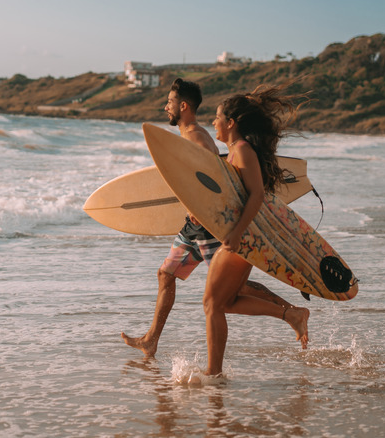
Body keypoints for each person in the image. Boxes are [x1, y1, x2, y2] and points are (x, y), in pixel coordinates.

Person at [121, 79, 301, 358]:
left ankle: (290, 313)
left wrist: (203, 206)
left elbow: (213, 180)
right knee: (166, 274)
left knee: (232, 291)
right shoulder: (193, 134)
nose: (165, 107)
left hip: (206, 226)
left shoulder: (194, 137)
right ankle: (151, 339)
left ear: (183, 106)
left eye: (169, 103)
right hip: (193, 226)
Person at [203, 85, 311, 377]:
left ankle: (214, 374)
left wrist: (237, 233)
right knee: (226, 301)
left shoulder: (242, 151)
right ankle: (292, 314)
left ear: (231, 123)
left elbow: (257, 195)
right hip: (245, 234)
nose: (213, 122)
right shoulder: (235, 152)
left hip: (245, 236)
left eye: (217, 117)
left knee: (212, 304)